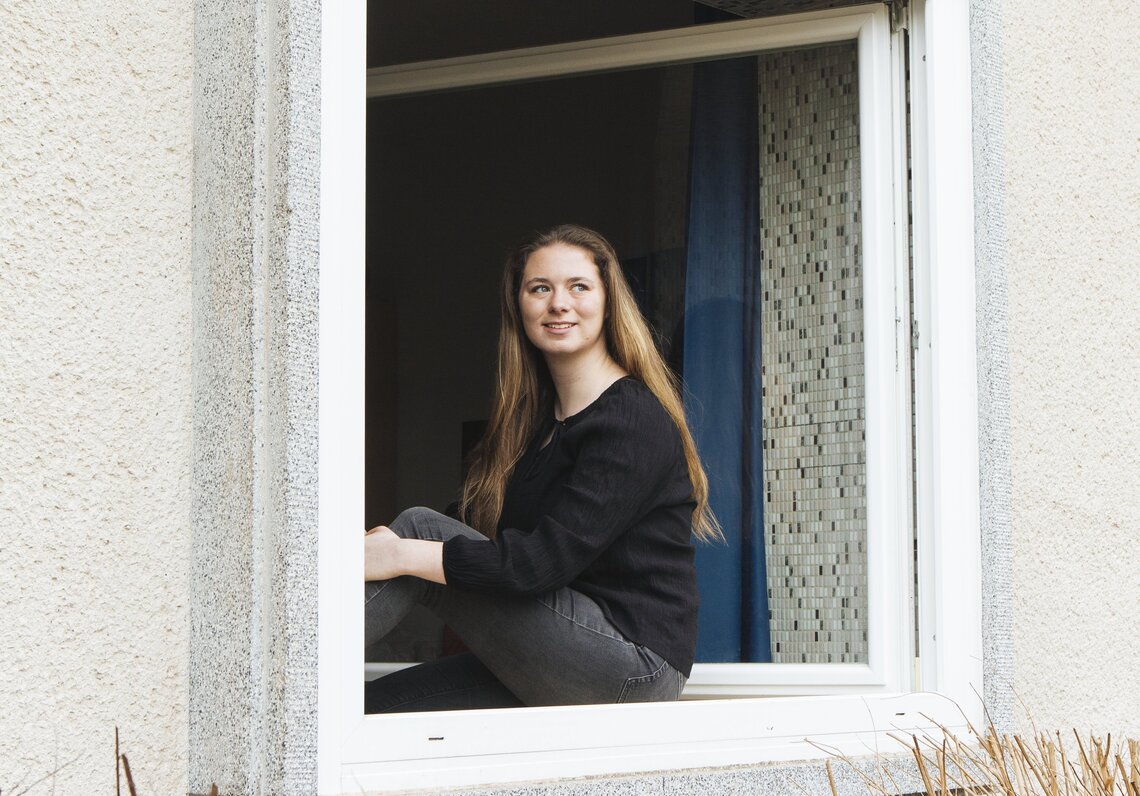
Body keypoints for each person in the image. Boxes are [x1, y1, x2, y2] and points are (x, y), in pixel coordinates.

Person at [363, 223, 720, 713]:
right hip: (565, 648)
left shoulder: (630, 420)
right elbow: (475, 531)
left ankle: (282, 678)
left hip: (633, 666)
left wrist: (401, 555)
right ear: (519, 305)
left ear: (608, 301)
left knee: (418, 532)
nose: (558, 303)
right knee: (376, 708)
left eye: (579, 286)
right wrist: (381, 549)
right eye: (540, 288)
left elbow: (538, 565)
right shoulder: (540, 424)